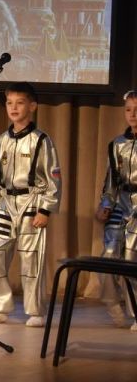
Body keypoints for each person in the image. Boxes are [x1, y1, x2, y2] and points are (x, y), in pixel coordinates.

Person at [0, 82, 61, 327]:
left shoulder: (41, 140)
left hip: (31, 203)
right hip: (5, 202)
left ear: (32, 106)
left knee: (31, 258)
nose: (13, 108)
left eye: (20, 102)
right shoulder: (1, 140)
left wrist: (45, 209)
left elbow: (53, 176)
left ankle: (35, 310)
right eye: (9, 103)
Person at [95, 89, 137, 330]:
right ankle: (112, 305)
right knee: (108, 256)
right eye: (129, 109)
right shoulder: (117, 144)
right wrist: (105, 205)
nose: (133, 114)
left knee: (132, 257)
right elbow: (111, 180)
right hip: (120, 203)